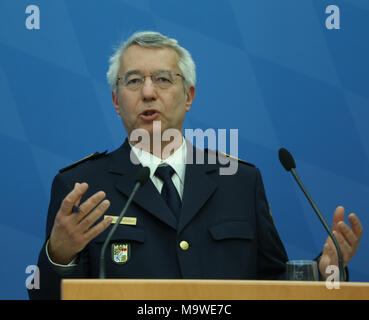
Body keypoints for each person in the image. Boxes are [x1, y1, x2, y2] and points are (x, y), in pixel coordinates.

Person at [28, 31, 363, 300]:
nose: (148, 92)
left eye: (162, 79)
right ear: (116, 101)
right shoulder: (82, 185)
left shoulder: (240, 182)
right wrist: (59, 255)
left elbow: (272, 285)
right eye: (132, 81)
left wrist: (324, 272)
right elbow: (47, 297)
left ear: (188, 95)